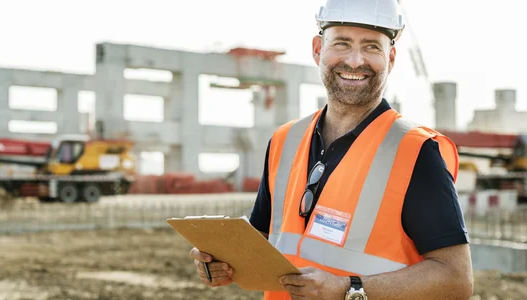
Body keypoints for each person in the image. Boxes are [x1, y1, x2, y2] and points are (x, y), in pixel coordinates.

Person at [190, 0, 474, 299]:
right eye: (341, 43)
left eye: (371, 47)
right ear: (317, 49)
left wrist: (350, 289)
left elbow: (455, 279)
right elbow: (265, 236)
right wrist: (224, 260)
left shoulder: (415, 150)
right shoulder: (285, 140)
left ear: (391, 57)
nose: (355, 61)